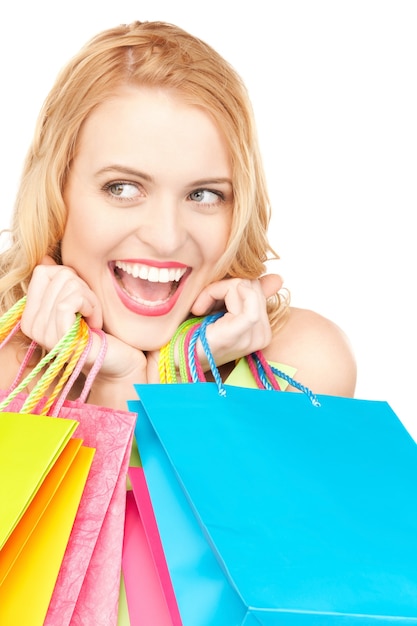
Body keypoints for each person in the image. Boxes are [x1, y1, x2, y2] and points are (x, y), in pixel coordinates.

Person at [0, 19, 356, 622]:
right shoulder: (12, 379)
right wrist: (110, 385)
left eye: (204, 195)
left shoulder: (300, 369)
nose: (167, 236)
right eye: (122, 187)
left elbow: (293, 605)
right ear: (58, 190)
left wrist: (165, 378)